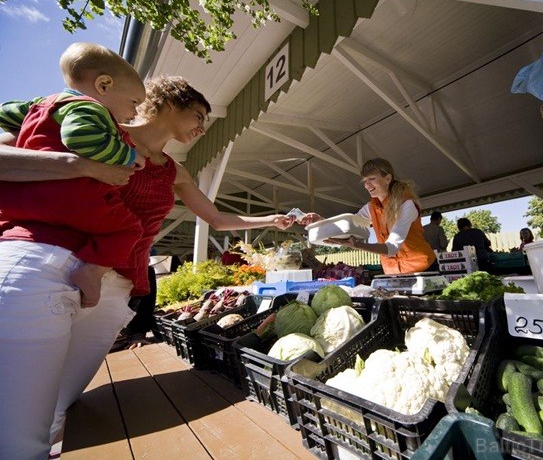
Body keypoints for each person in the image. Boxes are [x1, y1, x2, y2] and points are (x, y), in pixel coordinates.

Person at [0, 74, 294, 459]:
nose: (202, 126)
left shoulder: (174, 171)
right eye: (199, 115)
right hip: (53, 264)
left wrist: (271, 220)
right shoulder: (97, 128)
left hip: (116, 287)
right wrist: (77, 164)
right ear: (171, 103)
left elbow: (217, 219)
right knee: (20, 410)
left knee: (64, 396)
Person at [0, 42, 147, 307]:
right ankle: (91, 271)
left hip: (18, 200)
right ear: (103, 85)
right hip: (69, 197)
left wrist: (33, 119)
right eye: (134, 102)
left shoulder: (43, 104)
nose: (134, 113)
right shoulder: (91, 108)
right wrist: (129, 155)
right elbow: (80, 137)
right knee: (128, 228)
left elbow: (5, 111)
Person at [300, 158, 437, 274]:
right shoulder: (371, 207)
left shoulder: (407, 204)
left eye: (372, 178)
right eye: (365, 180)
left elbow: (392, 247)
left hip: (423, 269)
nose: (367, 185)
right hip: (393, 273)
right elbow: (348, 226)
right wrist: (321, 221)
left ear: (387, 178)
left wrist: (357, 245)